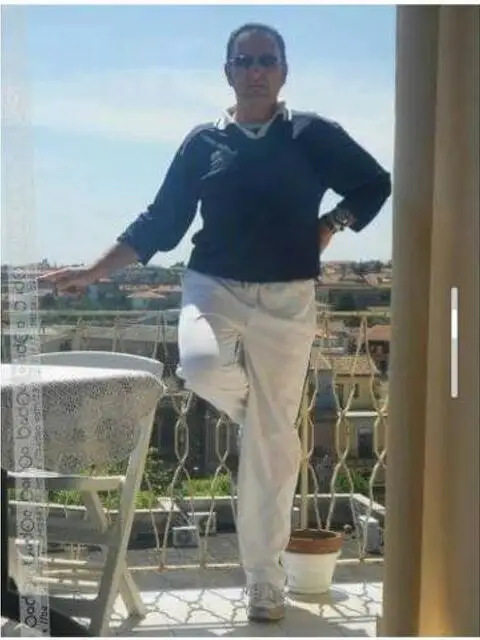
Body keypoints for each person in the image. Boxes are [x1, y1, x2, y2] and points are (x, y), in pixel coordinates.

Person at [41, 22, 391, 622]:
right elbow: (161, 221)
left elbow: (374, 182)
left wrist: (331, 223)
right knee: (203, 367)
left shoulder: (312, 135)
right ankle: (265, 422)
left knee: (271, 445)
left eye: (266, 60)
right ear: (227, 72)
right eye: (244, 61)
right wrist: (93, 271)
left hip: (287, 296)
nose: (255, 70)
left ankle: (264, 580)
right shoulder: (204, 142)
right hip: (215, 285)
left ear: (284, 71)